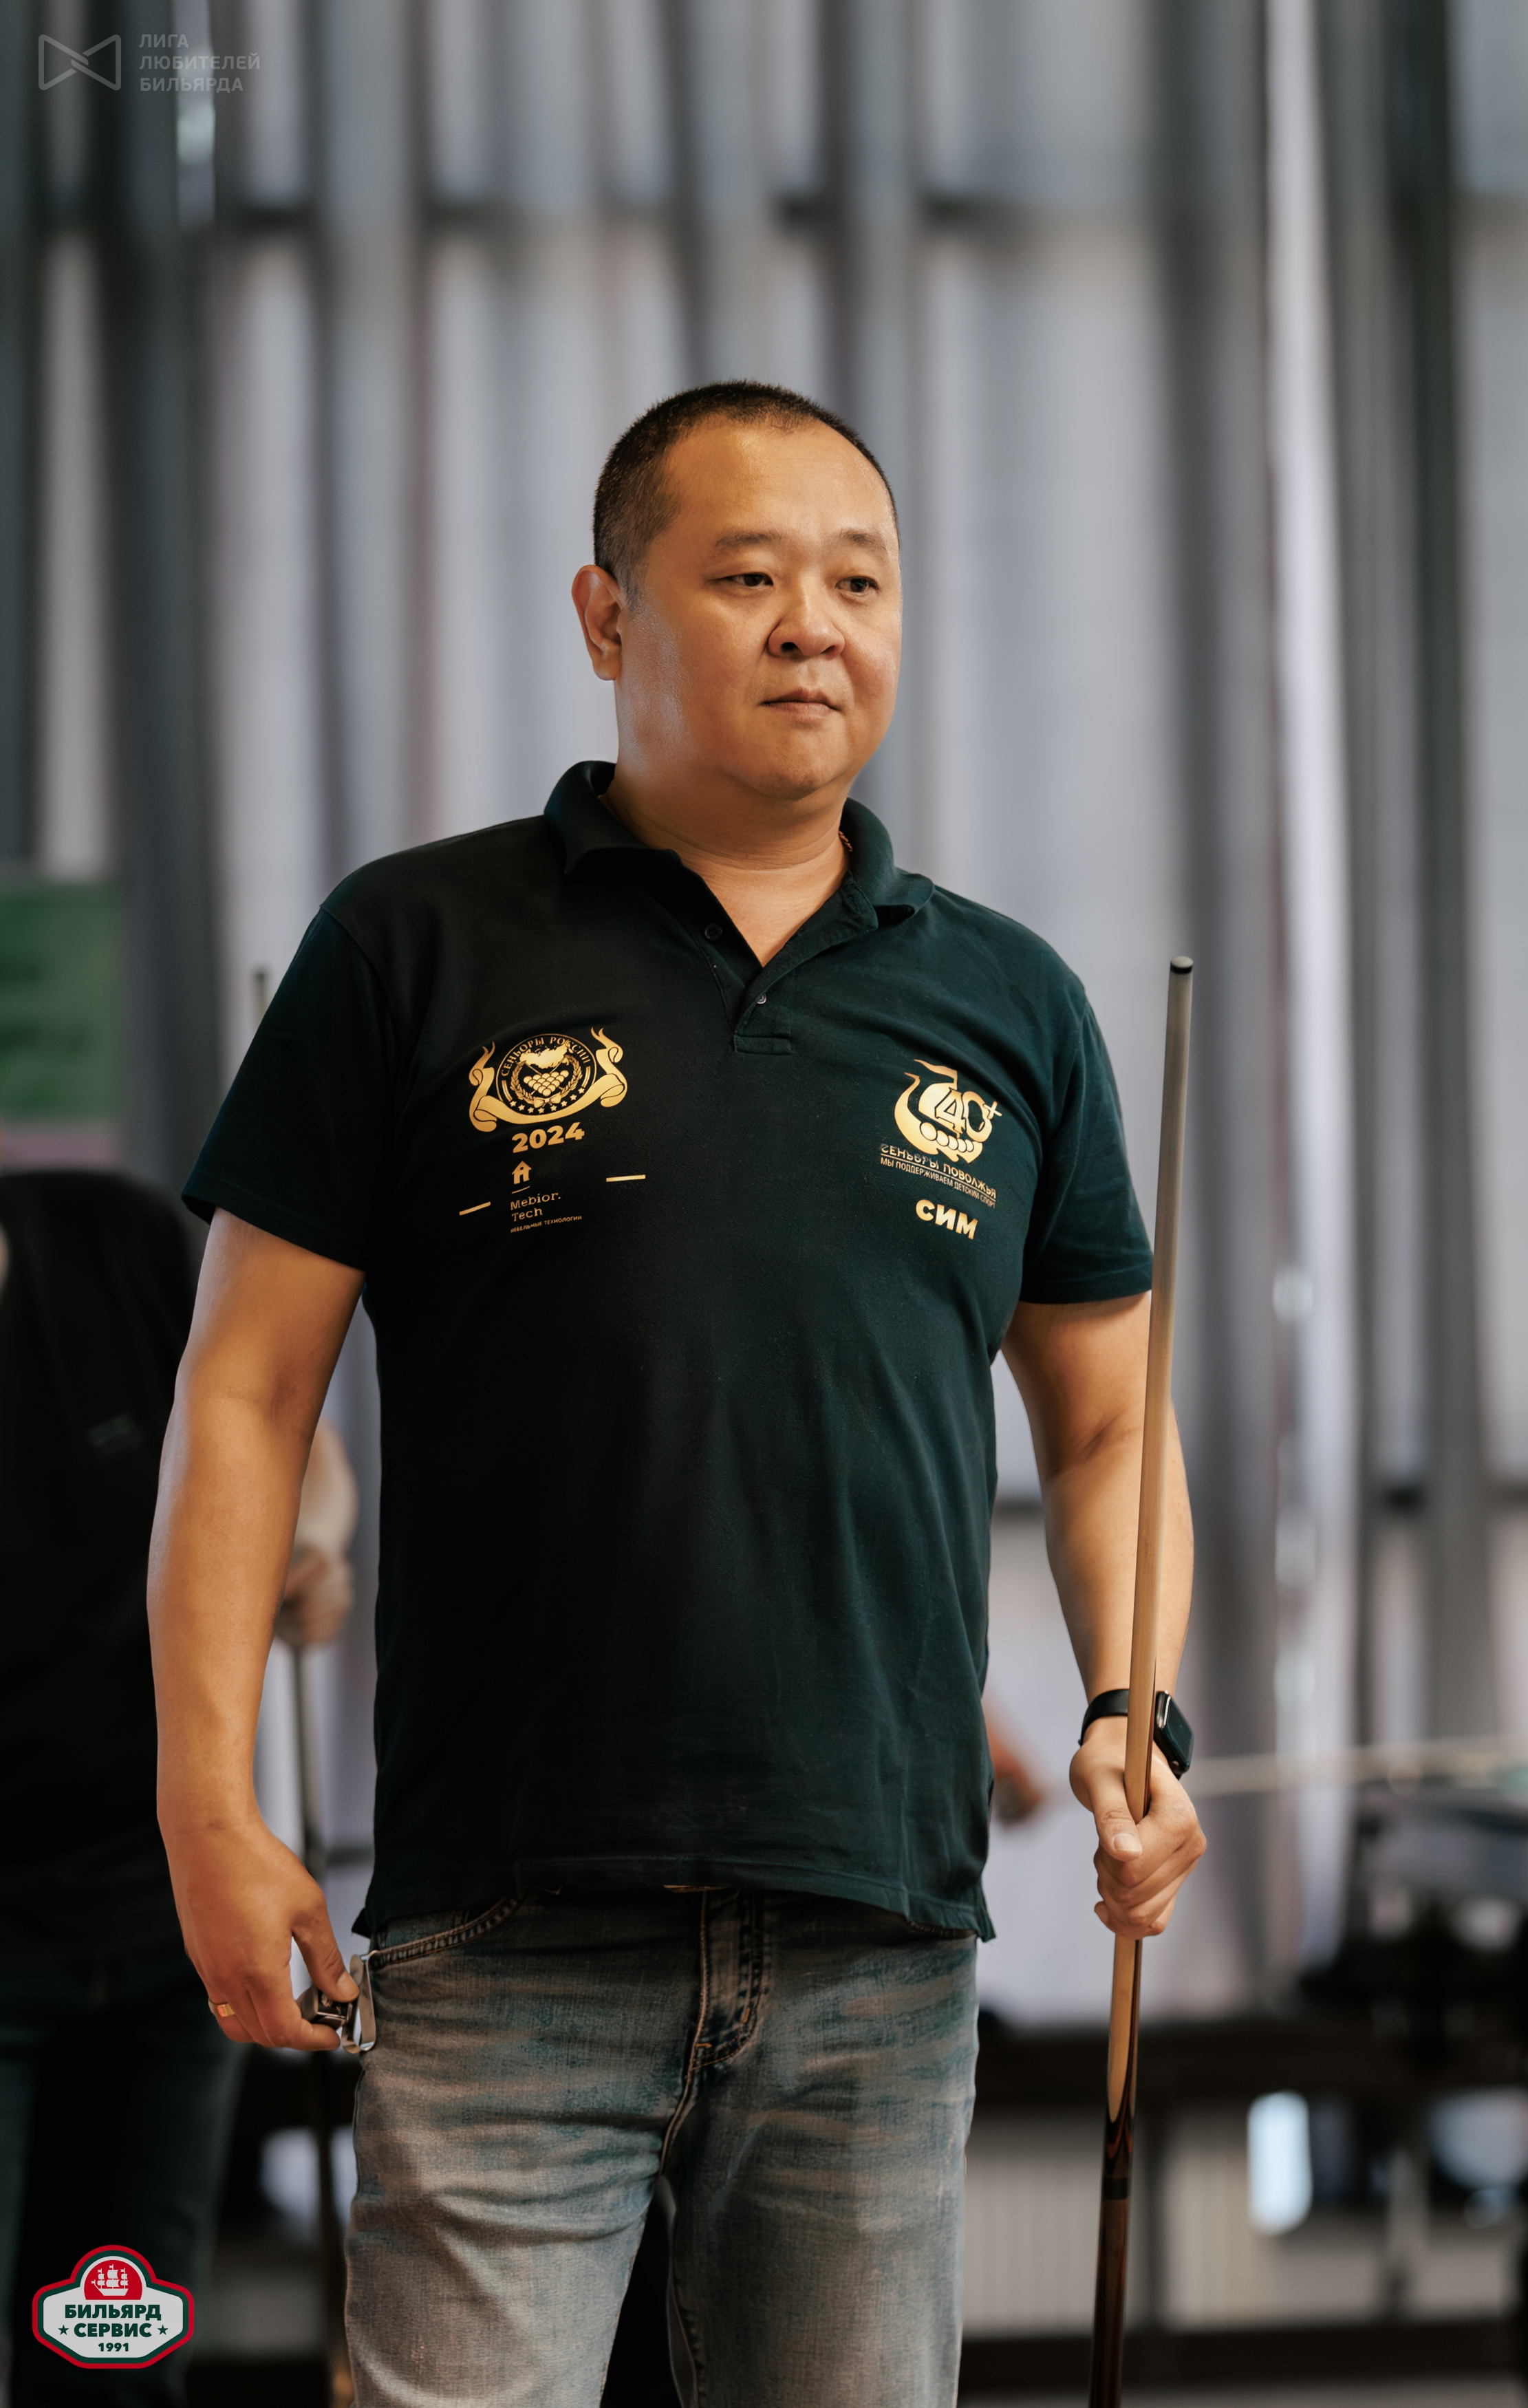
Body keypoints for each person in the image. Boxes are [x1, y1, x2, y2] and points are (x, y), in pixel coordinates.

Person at [149, 380, 1206, 2408]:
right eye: (747, 576)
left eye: (859, 581)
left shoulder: (1007, 1000)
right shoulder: (410, 942)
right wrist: (210, 1805)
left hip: (878, 1938)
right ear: (605, 614)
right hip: (504, 1925)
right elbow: (245, 1396)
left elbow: (1104, 1421)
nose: (814, 623)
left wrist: (1128, 1705)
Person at [0, 1165, 356, 2407]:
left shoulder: (116, 1242)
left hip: (168, 1926)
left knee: (114, 2352)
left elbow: (284, 1436)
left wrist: (307, 1546)